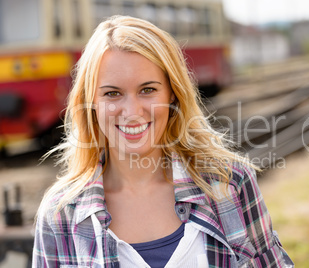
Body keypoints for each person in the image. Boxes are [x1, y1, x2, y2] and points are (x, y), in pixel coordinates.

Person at [33, 15, 294, 268]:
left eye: (147, 90)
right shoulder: (61, 213)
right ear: (91, 104)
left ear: (173, 95)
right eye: (112, 94)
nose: (132, 111)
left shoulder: (230, 184)